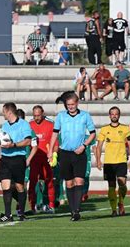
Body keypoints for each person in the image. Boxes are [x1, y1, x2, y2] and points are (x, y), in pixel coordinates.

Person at [48, 91, 96, 221]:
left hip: (79, 153)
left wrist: (84, 145)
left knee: (79, 181)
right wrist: (50, 151)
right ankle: (72, 210)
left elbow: (92, 133)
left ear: (77, 103)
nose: (70, 107)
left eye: (72, 104)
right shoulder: (61, 116)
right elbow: (54, 134)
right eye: (68, 104)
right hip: (65, 153)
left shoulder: (85, 116)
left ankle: (76, 211)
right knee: (69, 183)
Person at [0, 102, 32, 222]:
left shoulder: (24, 124)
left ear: (9, 112)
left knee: (19, 186)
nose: (3, 114)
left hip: (18, 158)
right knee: (5, 186)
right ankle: (8, 214)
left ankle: (21, 213)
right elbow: (3, 142)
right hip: (5, 159)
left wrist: (14, 145)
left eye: (4, 112)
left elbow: (28, 141)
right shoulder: (4, 125)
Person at [95, 106, 130, 216]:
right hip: (109, 162)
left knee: (122, 184)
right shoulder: (104, 129)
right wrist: (98, 160)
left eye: (116, 114)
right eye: (112, 114)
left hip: (121, 161)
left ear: (119, 115)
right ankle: (113, 210)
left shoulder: (125, 129)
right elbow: (98, 146)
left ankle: (121, 203)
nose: (114, 116)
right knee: (111, 186)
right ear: (109, 116)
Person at [28, 105, 58, 214]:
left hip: (46, 158)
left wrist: (54, 155)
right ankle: (32, 206)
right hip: (34, 159)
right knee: (33, 181)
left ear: (43, 113)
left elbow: (55, 143)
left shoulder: (50, 125)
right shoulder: (29, 125)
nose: (37, 118)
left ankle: (51, 205)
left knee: (49, 181)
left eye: (39, 115)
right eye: (34, 115)